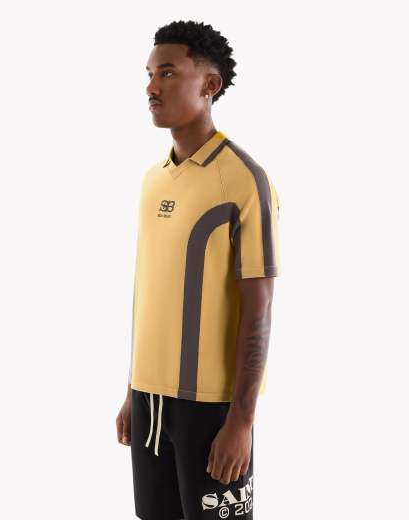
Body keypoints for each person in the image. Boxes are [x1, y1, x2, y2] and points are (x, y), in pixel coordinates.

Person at [116, 20, 281, 520]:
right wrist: (133, 389)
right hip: (150, 401)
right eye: (149, 74)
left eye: (167, 72)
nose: (152, 86)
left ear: (210, 85)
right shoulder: (153, 180)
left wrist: (241, 422)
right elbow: (151, 292)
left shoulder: (244, 180)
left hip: (211, 410)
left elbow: (259, 307)